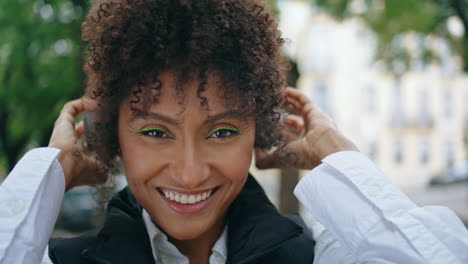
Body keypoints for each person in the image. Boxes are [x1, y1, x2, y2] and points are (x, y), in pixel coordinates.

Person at [1, 0, 468, 263]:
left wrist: (334, 152)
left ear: (260, 130)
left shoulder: (317, 258)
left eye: (222, 131)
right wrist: (54, 169)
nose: (188, 173)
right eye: (155, 133)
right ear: (111, 135)